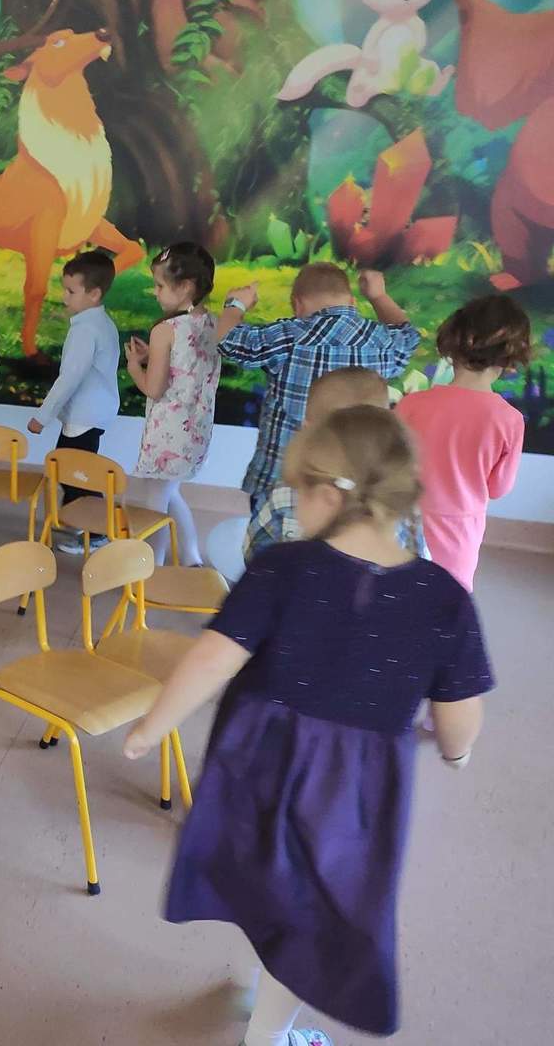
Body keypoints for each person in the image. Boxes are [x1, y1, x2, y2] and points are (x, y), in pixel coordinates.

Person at [124, 405, 492, 1046]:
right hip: (351, 791)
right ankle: (268, 1032)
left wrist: (151, 728)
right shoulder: (443, 597)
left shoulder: (282, 566)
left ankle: (265, 989)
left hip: (257, 765)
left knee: (268, 883)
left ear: (328, 495)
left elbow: (212, 657)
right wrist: (457, 753)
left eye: (297, 490)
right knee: (314, 909)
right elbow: (459, 713)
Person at [217, 262, 419, 518]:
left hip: (283, 483)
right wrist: (378, 296)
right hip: (353, 487)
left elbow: (227, 340)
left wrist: (235, 304)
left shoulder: (288, 337)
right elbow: (408, 335)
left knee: (272, 541)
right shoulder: (384, 342)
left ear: (297, 304)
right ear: (352, 302)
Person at [396, 294, 531, 590]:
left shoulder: (411, 404)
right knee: (449, 598)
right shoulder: (509, 420)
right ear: (510, 358)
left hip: (402, 519)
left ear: (451, 345)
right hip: (459, 531)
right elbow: (498, 488)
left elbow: (388, 464)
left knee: (399, 593)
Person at [245, 367, 428, 562]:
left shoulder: (282, 497)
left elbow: (254, 557)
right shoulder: (400, 503)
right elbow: (416, 559)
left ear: (308, 431)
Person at [124, 243, 221, 566]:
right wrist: (153, 357)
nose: (155, 292)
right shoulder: (213, 323)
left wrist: (135, 366)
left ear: (186, 287)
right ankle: (191, 556)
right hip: (196, 429)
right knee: (169, 491)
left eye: (160, 286)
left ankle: (151, 567)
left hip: (168, 431)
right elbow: (186, 367)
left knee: (155, 502)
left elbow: (153, 388)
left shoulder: (165, 330)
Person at [27, 250, 122, 554]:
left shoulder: (86, 329)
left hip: (85, 415)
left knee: (76, 475)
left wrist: (42, 417)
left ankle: (98, 532)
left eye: (71, 291)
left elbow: (69, 378)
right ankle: (80, 521)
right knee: (70, 470)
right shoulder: (100, 323)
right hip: (89, 414)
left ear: (94, 294)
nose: (63, 297)